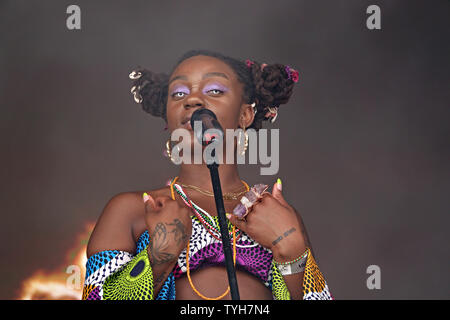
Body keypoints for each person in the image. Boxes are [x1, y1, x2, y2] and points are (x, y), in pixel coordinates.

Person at [82, 49, 333, 300]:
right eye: (178, 93)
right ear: (169, 119)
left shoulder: (277, 215)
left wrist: (292, 255)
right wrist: (158, 259)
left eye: (214, 90)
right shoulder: (133, 210)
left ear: (245, 115)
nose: (191, 100)